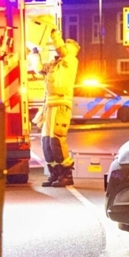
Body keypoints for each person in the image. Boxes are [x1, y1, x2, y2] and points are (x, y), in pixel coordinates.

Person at [38, 31, 80, 187]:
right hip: (50, 107)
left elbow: (61, 50)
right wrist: (36, 52)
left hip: (61, 106)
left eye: (67, 48)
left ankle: (66, 174)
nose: (63, 49)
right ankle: (54, 173)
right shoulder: (56, 66)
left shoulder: (71, 61)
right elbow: (38, 69)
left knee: (56, 140)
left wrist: (54, 33)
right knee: (46, 142)